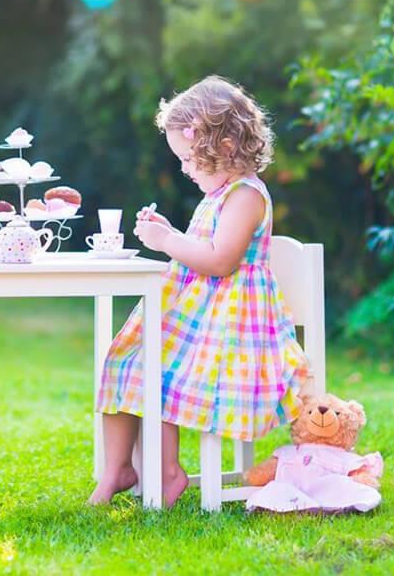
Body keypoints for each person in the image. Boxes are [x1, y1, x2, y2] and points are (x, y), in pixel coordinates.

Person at [89, 76, 308, 507]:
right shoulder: (218, 194)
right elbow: (202, 249)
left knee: (158, 373)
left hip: (232, 328)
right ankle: (118, 470)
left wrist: (167, 242)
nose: (185, 168)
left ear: (225, 146)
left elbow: (220, 260)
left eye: (189, 158)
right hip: (201, 318)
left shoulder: (246, 196)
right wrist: (170, 232)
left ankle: (169, 474)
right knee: (125, 361)